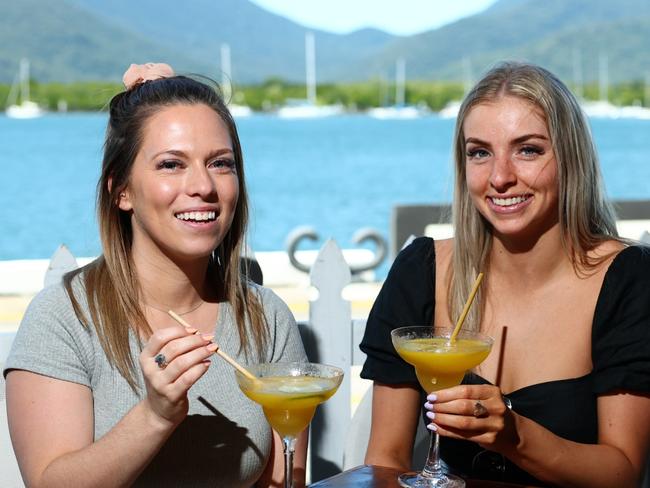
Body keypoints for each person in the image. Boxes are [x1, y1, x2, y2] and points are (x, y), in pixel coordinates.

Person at [4, 63, 308, 487]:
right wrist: (155, 415)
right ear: (121, 190)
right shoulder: (64, 317)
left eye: (221, 163)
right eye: (171, 164)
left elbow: (282, 481)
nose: (203, 185)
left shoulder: (266, 317)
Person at [360, 61, 650, 487]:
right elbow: (385, 459)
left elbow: (623, 472)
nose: (500, 177)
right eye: (480, 152)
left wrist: (513, 435)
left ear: (570, 157)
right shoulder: (422, 271)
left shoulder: (627, 279)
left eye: (528, 149)